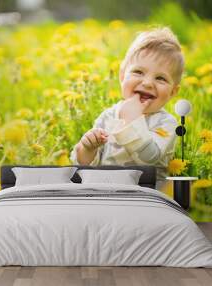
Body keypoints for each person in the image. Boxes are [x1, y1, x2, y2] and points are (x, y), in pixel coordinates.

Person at [70, 27, 185, 190]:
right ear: (122, 76)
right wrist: (88, 148)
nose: (147, 83)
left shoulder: (166, 123)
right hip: (106, 191)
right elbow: (85, 165)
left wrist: (132, 120)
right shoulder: (108, 116)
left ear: (173, 91)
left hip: (146, 195)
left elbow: (149, 158)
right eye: (138, 72)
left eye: (160, 78)